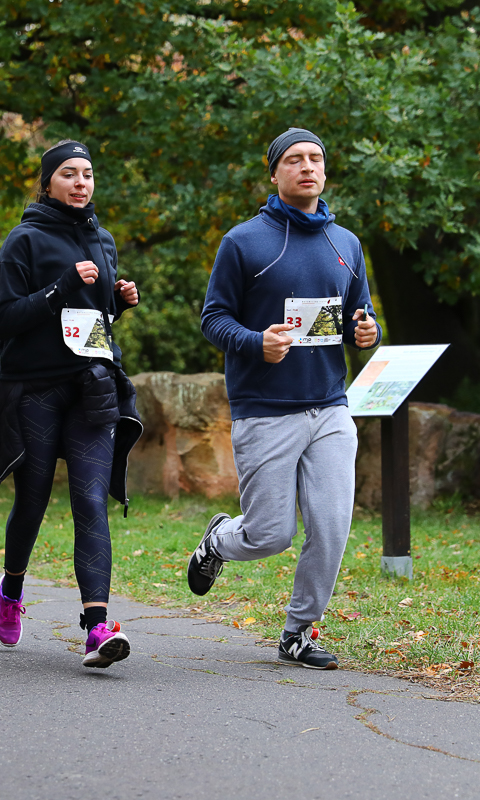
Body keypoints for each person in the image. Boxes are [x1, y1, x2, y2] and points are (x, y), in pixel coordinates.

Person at [188, 128, 380, 670]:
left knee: (332, 527)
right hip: (267, 411)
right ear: (274, 174)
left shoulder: (347, 244)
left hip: (331, 408)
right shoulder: (245, 241)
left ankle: (298, 631)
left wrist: (368, 333)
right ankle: (219, 542)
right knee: (270, 534)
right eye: (293, 160)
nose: (307, 167)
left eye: (316, 158)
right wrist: (256, 343)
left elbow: (358, 316)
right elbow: (213, 318)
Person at [0, 140, 144, 669]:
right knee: (35, 499)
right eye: (69, 174)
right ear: (48, 183)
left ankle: (96, 627)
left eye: (88, 174)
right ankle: (12, 587)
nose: (81, 183)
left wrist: (119, 302)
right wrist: (60, 288)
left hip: (91, 385)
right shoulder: (24, 240)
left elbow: (95, 317)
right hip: (35, 388)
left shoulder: (102, 239)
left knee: (90, 499)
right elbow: (3, 321)